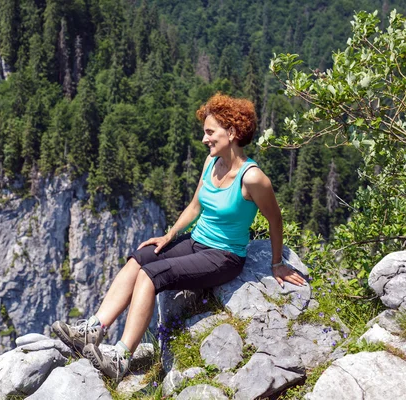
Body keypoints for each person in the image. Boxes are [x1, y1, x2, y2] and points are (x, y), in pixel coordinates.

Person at [51, 93, 307, 382]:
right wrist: (169, 235)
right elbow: (196, 205)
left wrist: (277, 263)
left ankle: (121, 357)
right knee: (140, 258)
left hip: (224, 256)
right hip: (195, 241)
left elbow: (275, 219)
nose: (204, 139)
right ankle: (93, 329)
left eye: (210, 132)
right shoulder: (212, 163)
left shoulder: (252, 178)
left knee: (150, 275)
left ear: (232, 133)